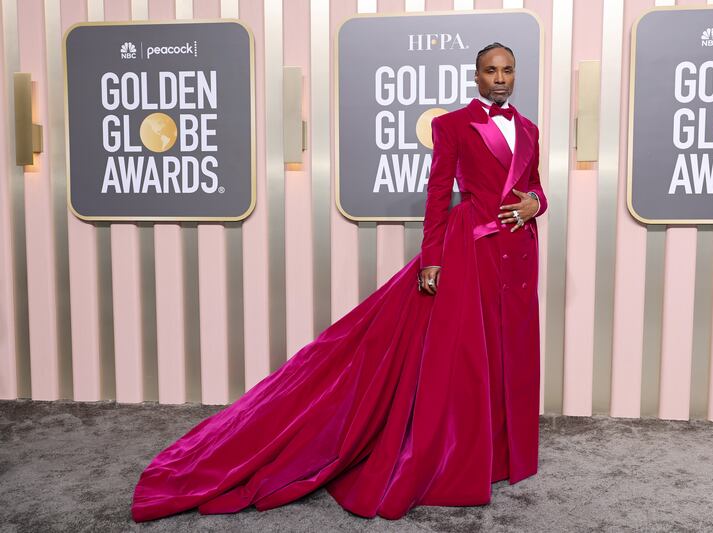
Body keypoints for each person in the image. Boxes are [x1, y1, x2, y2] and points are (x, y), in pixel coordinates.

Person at [130, 41, 547, 522]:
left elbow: (534, 186)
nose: (500, 78)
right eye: (491, 71)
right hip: (470, 249)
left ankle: (505, 455)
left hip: (518, 254)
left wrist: (537, 204)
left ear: (516, 75)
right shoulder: (451, 125)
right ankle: (464, 458)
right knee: (467, 359)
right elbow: (437, 194)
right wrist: (431, 259)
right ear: (476, 77)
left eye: (508, 70)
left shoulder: (530, 130)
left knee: (509, 351)